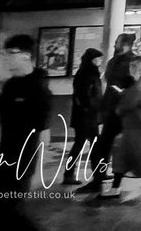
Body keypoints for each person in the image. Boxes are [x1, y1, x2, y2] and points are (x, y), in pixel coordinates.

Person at [0, 34, 51, 230]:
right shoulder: (9, 87)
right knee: (5, 213)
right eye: (4, 53)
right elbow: (2, 127)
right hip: (4, 157)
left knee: (6, 213)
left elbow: (43, 134)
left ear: (25, 55)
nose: (6, 57)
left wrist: (40, 172)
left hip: (24, 160)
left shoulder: (39, 89)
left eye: (10, 53)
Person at [100, 55, 141, 199]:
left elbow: (127, 105)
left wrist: (119, 99)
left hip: (138, 128)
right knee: (137, 157)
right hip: (139, 127)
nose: (130, 70)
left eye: (133, 67)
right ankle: (116, 187)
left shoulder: (140, 86)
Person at [77, 32, 135, 193]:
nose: (114, 44)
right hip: (112, 109)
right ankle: (101, 180)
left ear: (124, 44)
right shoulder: (115, 61)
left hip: (122, 109)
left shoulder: (130, 62)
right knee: (105, 146)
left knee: (129, 146)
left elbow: (133, 85)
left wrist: (121, 94)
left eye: (117, 42)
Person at [63, 48, 103, 184]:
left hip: (89, 115)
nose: (100, 61)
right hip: (86, 116)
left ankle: (95, 173)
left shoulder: (91, 73)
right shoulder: (85, 74)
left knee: (85, 145)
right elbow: (83, 95)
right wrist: (89, 109)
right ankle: (95, 174)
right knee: (84, 145)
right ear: (91, 59)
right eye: (98, 58)